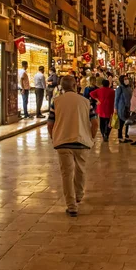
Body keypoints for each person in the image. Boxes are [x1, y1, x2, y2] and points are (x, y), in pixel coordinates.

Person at [47, 75, 94, 217]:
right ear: (75, 85)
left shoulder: (56, 102)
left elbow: (50, 123)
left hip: (63, 142)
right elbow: (95, 122)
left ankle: (71, 205)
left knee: (67, 174)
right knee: (80, 170)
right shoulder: (85, 101)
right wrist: (90, 136)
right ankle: (78, 195)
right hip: (81, 140)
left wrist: (54, 136)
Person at [114, 74, 133, 143]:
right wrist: (115, 108)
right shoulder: (120, 88)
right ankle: (120, 137)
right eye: (125, 79)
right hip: (121, 108)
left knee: (128, 122)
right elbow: (116, 99)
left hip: (128, 107)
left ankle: (127, 136)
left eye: (127, 78)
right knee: (121, 123)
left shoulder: (129, 88)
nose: (126, 80)